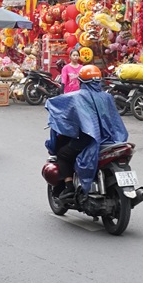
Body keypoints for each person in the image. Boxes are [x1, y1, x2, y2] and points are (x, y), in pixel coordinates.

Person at [45, 64, 128, 194]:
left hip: (88, 140)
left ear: (81, 81)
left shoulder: (76, 97)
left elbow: (57, 105)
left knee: (62, 154)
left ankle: (69, 186)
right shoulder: (107, 97)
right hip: (112, 139)